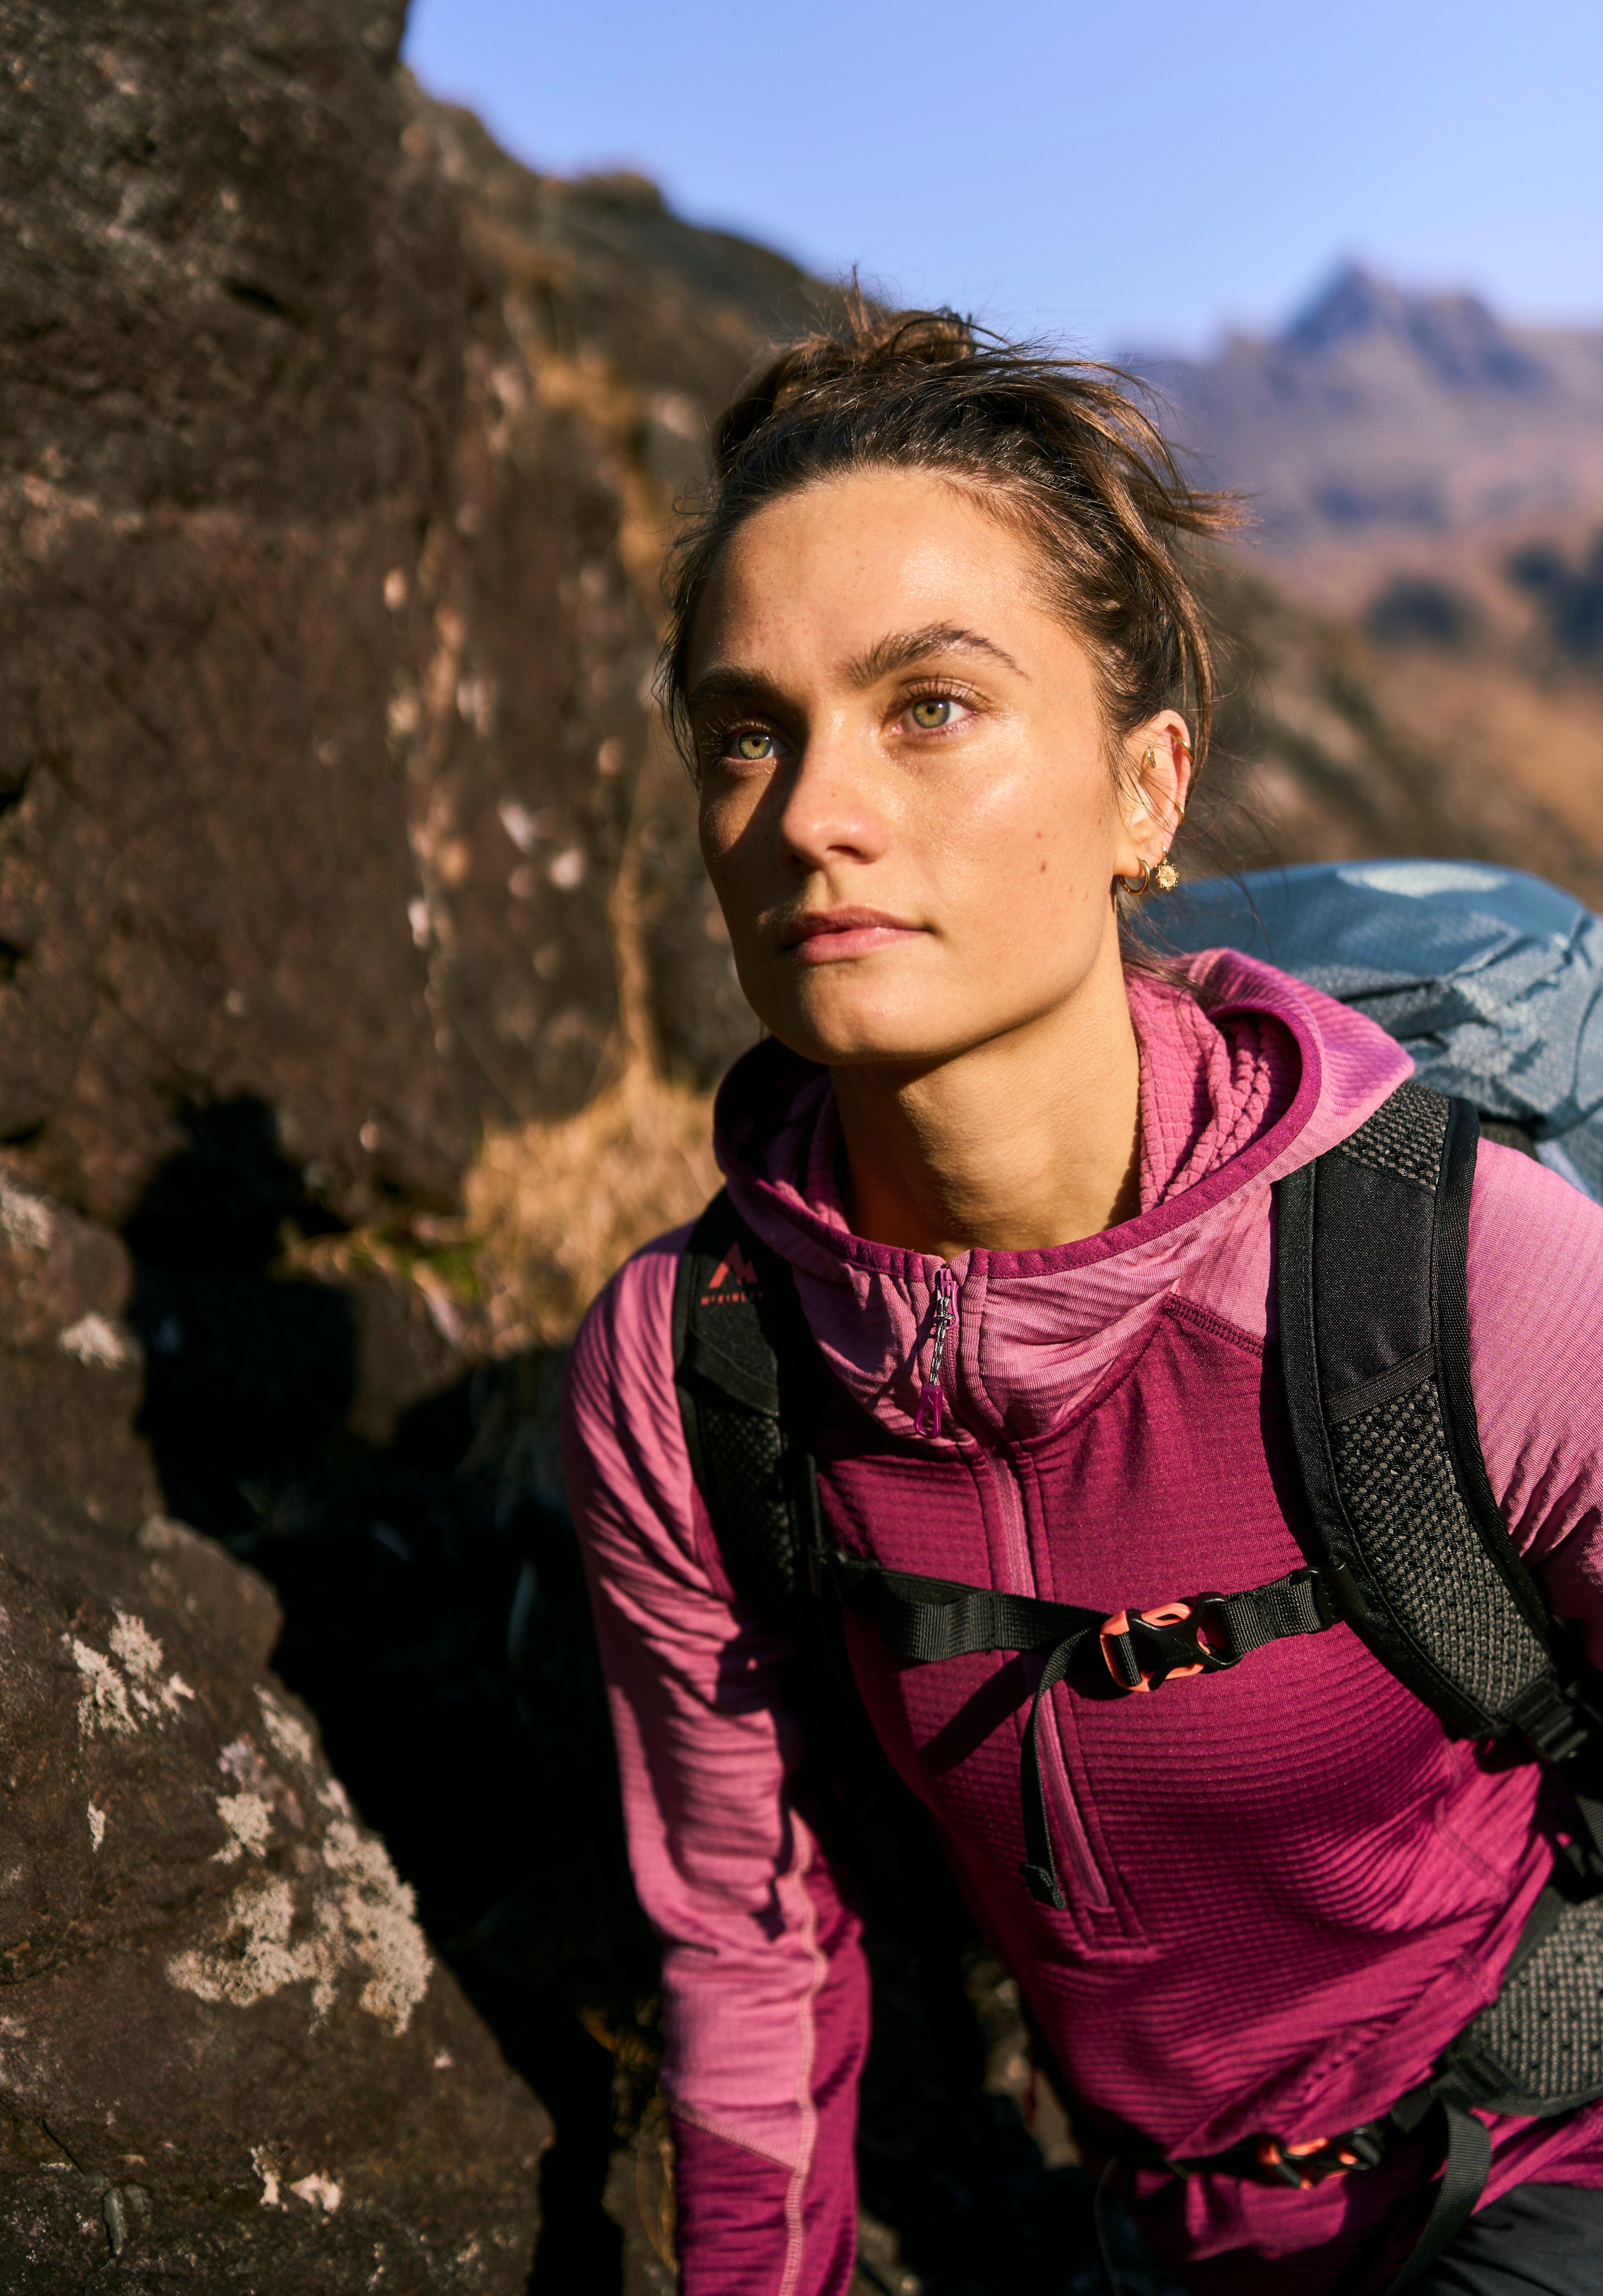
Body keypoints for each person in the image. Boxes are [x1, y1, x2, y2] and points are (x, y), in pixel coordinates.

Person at [561, 311, 1603, 2295]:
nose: (808, 815)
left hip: (1550, 2169)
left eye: (929, 706)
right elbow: (751, 1952)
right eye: (745, 730)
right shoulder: (695, 1381)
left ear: (1148, 795)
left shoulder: (1455, 1279)